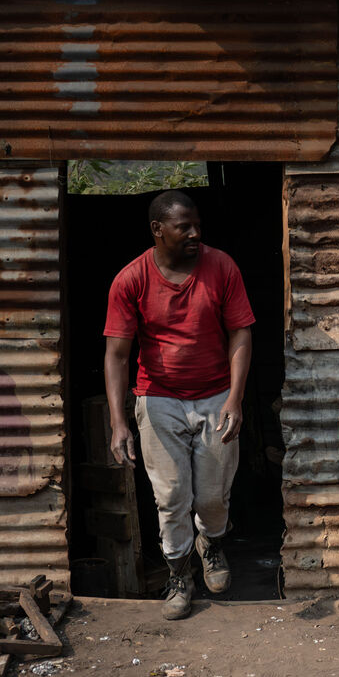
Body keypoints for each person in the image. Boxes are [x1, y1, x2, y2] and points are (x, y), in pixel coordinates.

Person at [103, 190, 254, 620]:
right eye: (183, 226)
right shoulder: (131, 280)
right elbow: (117, 355)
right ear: (157, 229)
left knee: (212, 497)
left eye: (197, 225)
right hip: (159, 398)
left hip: (216, 395)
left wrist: (235, 399)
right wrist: (118, 422)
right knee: (171, 496)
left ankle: (212, 544)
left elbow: (241, 334)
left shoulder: (221, 267)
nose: (194, 233)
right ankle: (179, 575)